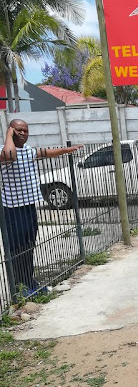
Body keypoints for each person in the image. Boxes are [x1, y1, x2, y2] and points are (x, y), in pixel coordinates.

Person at [0, 120, 83, 295]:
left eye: (26, 130)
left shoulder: (29, 151)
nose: (23, 133)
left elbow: (47, 153)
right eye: (18, 130)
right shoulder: (4, 149)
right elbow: (9, 156)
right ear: (11, 130)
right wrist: (8, 135)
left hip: (29, 206)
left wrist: (67, 150)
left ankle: (30, 283)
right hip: (13, 209)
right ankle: (20, 289)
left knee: (29, 246)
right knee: (17, 249)